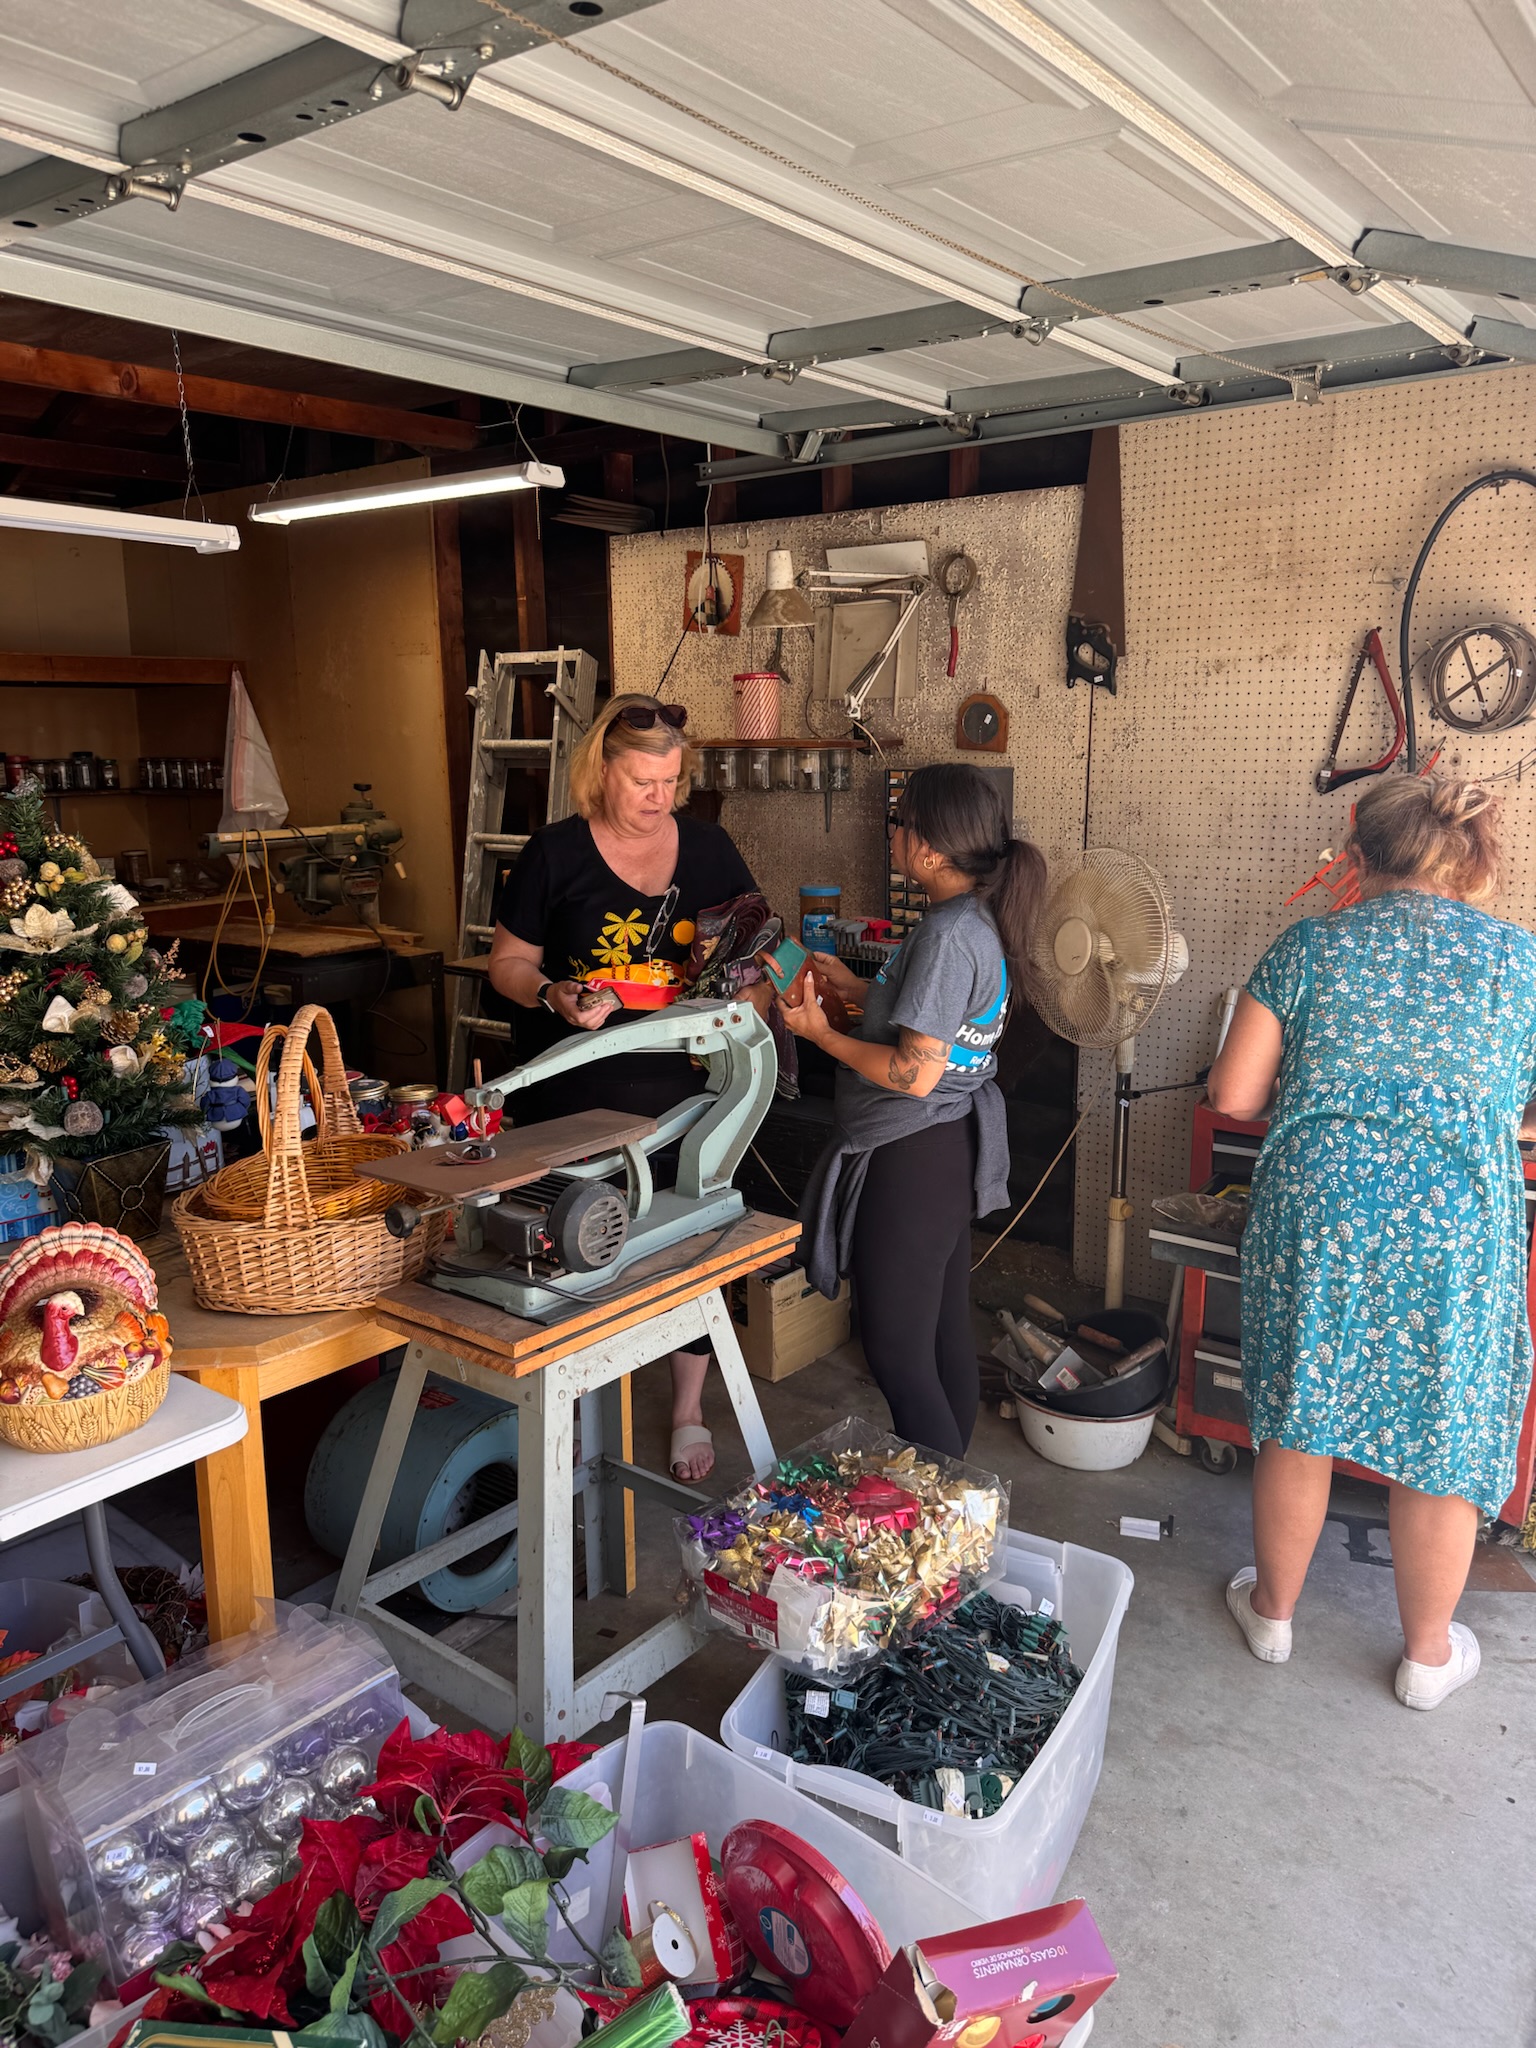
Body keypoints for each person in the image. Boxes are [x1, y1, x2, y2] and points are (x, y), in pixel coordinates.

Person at [1207, 776, 1536, 1711]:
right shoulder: (1521, 961)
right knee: (1443, 1424)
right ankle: (1427, 1658)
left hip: (1322, 1212)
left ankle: (1272, 1615)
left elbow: (1234, 1095)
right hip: (1455, 1223)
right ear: (1468, 860)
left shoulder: (1311, 945)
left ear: (1357, 861)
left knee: (1301, 1405)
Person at [487, 693, 756, 1483]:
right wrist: (551, 993)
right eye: (643, 781)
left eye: (671, 781)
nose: (659, 797)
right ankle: (570, 1405)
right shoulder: (554, 853)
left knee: (691, 1247)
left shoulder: (708, 847)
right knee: (570, 1249)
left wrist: (747, 985)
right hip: (571, 1096)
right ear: (601, 771)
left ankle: (686, 1408)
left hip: (686, 1090)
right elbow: (508, 964)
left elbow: (750, 946)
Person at [779, 763, 1046, 1459]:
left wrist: (819, 1035)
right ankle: (955, 1503)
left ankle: (938, 1512)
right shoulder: (970, 920)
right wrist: (857, 988)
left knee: (897, 1353)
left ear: (928, 848)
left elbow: (913, 1072)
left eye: (899, 823)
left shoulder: (948, 936)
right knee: (942, 1338)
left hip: (912, 1152)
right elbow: (939, 1022)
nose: (892, 834)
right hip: (943, 1149)